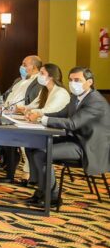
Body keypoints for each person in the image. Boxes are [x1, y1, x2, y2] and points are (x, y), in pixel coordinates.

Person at [25, 67, 110, 208]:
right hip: (75, 140)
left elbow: (72, 123)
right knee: (32, 145)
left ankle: (52, 197)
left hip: (88, 146)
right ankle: (41, 190)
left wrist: (42, 120)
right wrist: (39, 115)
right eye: (71, 80)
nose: (72, 83)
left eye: (77, 80)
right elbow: (62, 114)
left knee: (42, 153)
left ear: (89, 82)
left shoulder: (96, 101)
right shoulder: (76, 96)